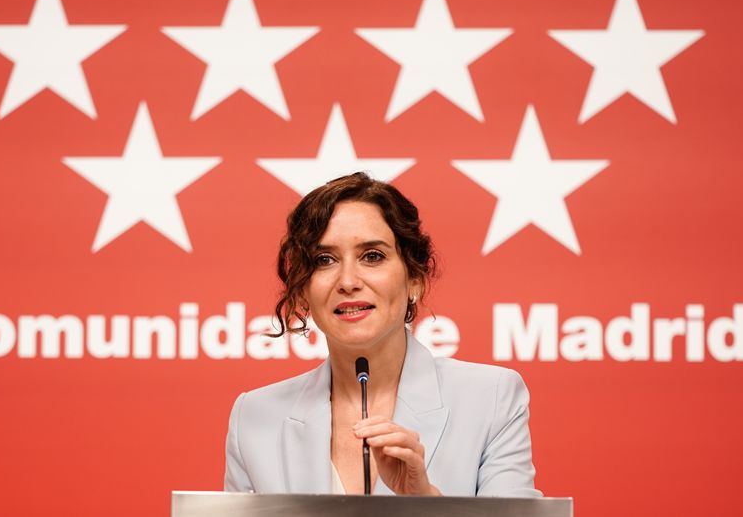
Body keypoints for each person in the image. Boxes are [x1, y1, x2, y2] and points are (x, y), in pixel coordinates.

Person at [224, 172, 541, 497]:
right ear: (303, 290)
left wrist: (426, 505)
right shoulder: (253, 417)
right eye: (324, 260)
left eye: (372, 256)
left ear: (415, 279)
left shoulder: (492, 398)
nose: (348, 281)